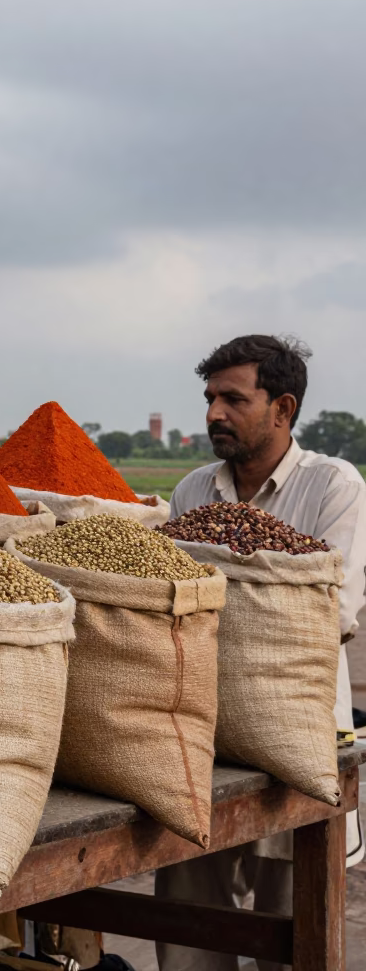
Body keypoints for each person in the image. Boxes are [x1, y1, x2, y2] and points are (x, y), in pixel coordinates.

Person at [155, 334, 366, 971]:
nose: (215, 413)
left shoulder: (333, 487)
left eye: (233, 399)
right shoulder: (194, 490)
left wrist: (213, 611)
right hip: (201, 742)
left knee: (294, 932)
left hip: (294, 743)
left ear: (283, 408)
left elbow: (331, 613)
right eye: (210, 398)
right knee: (191, 933)